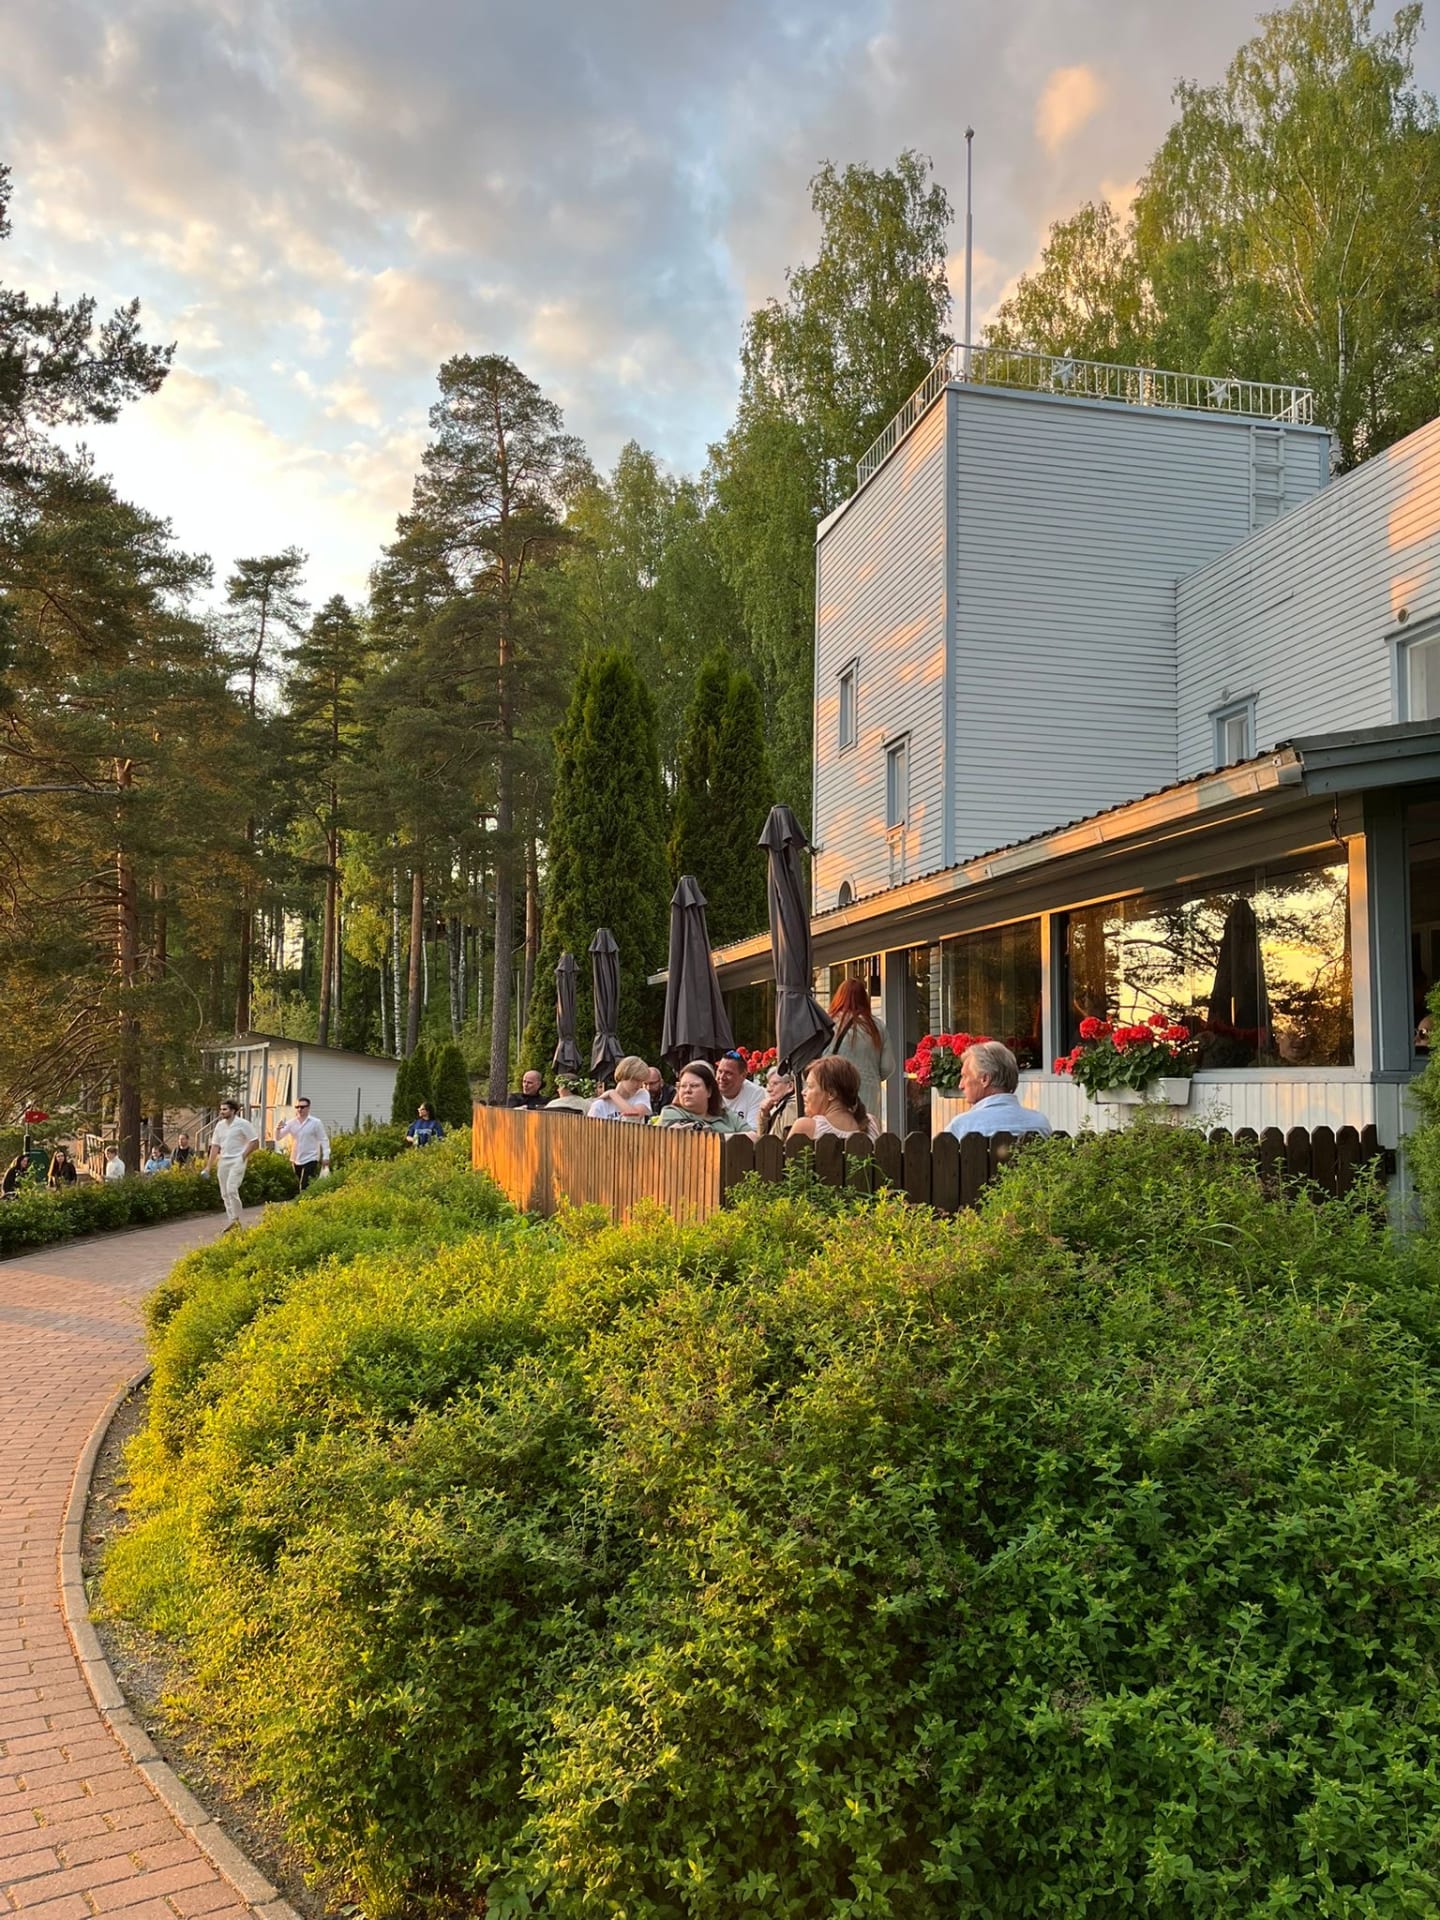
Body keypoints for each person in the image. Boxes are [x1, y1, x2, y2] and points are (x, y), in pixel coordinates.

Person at [944, 1040, 1052, 1140]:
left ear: (985, 1079)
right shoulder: (1040, 1124)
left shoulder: (961, 1127)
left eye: (965, 1076)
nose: (960, 1085)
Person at [826, 977, 895, 1129]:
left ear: (838, 997)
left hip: (835, 1094)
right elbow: (887, 1067)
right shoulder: (877, 1026)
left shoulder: (829, 1023)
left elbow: (820, 1060)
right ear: (865, 999)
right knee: (866, 1135)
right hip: (868, 1095)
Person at [787, 1055, 878, 1144]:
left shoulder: (806, 1127)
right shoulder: (872, 1124)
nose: (803, 1092)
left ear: (831, 1094)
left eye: (810, 1086)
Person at [205, 1098, 260, 1232]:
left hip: (237, 1160)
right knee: (224, 1192)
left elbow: (254, 1142)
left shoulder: (243, 1124)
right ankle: (232, 1221)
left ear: (233, 1110)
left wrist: (243, 1156)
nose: (222, 1112)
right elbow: (215, 1146)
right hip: (223, 1160)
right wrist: (208, 1166)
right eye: (221, 1109)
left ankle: (236, 1218)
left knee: (231, 1189)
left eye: (225, 1109)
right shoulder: (219, 1126)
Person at [657, 1060, 753, 1133]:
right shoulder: (671, 1113)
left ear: (709, 1091)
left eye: (694, 1086)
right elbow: (694, 1139)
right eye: (683, 1086)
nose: (687, 1090)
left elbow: (752, 1136)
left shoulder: (726, 1115)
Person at [275, 1096, 331, 1190]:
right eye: (297, 1107)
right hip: (296, 1158)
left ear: (308, 1108)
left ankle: (304, 1198)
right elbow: (278, 1137)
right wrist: (277, 1129)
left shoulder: (316, 1123)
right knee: (302, 1183)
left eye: (302, 1107)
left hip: (311, 1157)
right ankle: (310, 1197)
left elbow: (323, 1140)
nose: (299, 1109)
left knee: (304, 1184)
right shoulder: (291, 1123)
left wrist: (326, 1156)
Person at [587, 1057, 653, 1122]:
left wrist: (612, 1094)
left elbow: (635, 1116)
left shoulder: (641, 1094)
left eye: (641, 1081)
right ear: (624, 1076)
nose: (639, 1085)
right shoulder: (600, 1105)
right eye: (635, 1080)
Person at [714, 1050, 767, 1129]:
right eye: (720, 1071)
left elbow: (752, 1132)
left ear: (743, 1076)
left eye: (728, 1073)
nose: (722, 1077)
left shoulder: (756, 1094)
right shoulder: (708, 1092)